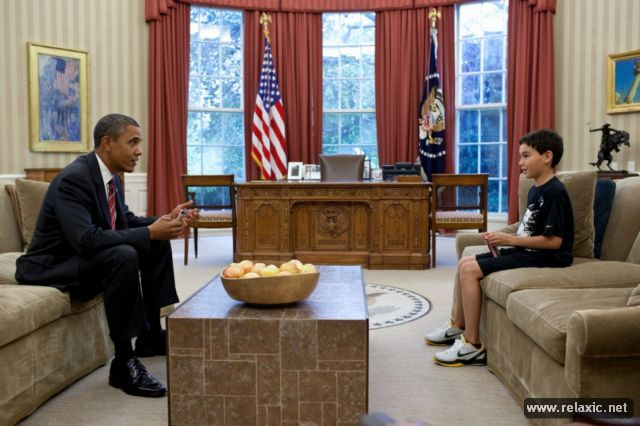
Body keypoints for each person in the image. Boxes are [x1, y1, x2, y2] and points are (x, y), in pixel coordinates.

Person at [15, 113, 199, 397]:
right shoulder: (75, 179)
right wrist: (150, 231)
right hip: (50, 265)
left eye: (139, 143)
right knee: (123, 255)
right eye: (133, 142)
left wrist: (163, 222)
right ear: (107, 143)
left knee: (156, 243)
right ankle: (124, 362)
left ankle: (150, 336)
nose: (139, 151)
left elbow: (124, 222)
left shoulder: (111, 179)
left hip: (80, 258)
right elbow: (86, 239)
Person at [424, 128, 574, 367]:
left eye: (526, 156)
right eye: (520, 156)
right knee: (465, 262)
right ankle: (458, 326)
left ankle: (472, 345)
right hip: (529, 251)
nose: (520, 163)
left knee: (470, 271)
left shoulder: (555, 192)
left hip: (548, 257)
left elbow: (554, 242)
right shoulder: (535, 189)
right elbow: (529, 230)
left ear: (547, 156)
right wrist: (502, 238)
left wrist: (510, 241)